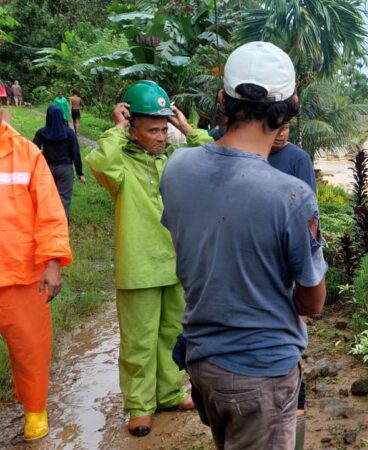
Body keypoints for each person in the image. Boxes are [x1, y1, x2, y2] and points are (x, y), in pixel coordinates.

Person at [161, 42, 326, 450]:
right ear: (290, 107)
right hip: (262, 373)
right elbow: (312, 303)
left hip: (203, 364)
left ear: (222, 101)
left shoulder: (177, 168)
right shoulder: (291, 195)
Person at [85, 80, 211, 437]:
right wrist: (117, 128)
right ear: (134, 128)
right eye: (152, 129)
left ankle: (170, 392)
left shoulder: (175, 158)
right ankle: (140, 406)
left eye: (163, 128)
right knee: (139, 340)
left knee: (173, 334)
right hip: (139, 265)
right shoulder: (120, 165)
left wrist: (186, 128)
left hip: (176, 265)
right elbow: (99, 161)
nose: (159, 136)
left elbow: (214, 157)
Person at [0, 103, 73, 442]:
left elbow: (49, 211)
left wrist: (53, 261)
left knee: (30, 348)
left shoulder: (26, 154)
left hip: (21, 273)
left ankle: (34, 410)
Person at [33, 106, 85, 219]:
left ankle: (46, 221)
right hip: (65, 169)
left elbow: (33, 150)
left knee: (47, 196)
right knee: (64, 199)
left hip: (47, 169)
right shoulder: (69, 132)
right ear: (62, 116)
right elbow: (75, 152)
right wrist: (80, 173)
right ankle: (61, 224)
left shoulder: (42, 132)